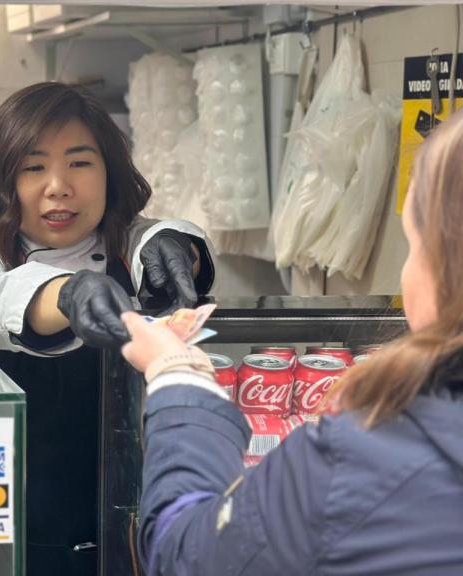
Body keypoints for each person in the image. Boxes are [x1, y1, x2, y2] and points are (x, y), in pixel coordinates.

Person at [127, 111, 463, 575]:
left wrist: (180, 377)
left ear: (446, 271)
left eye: (415, 244)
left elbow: (187, 555)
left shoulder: (361, 461)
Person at [0, 82, 214, 575]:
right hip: (11, 522)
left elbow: (157, 238)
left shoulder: (129, 246)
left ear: (110, 173)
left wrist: (175, 244)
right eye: (34, 166)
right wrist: (67, 293)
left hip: (128, 528)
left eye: (80, 163)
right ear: (4, 180)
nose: (59, 186)